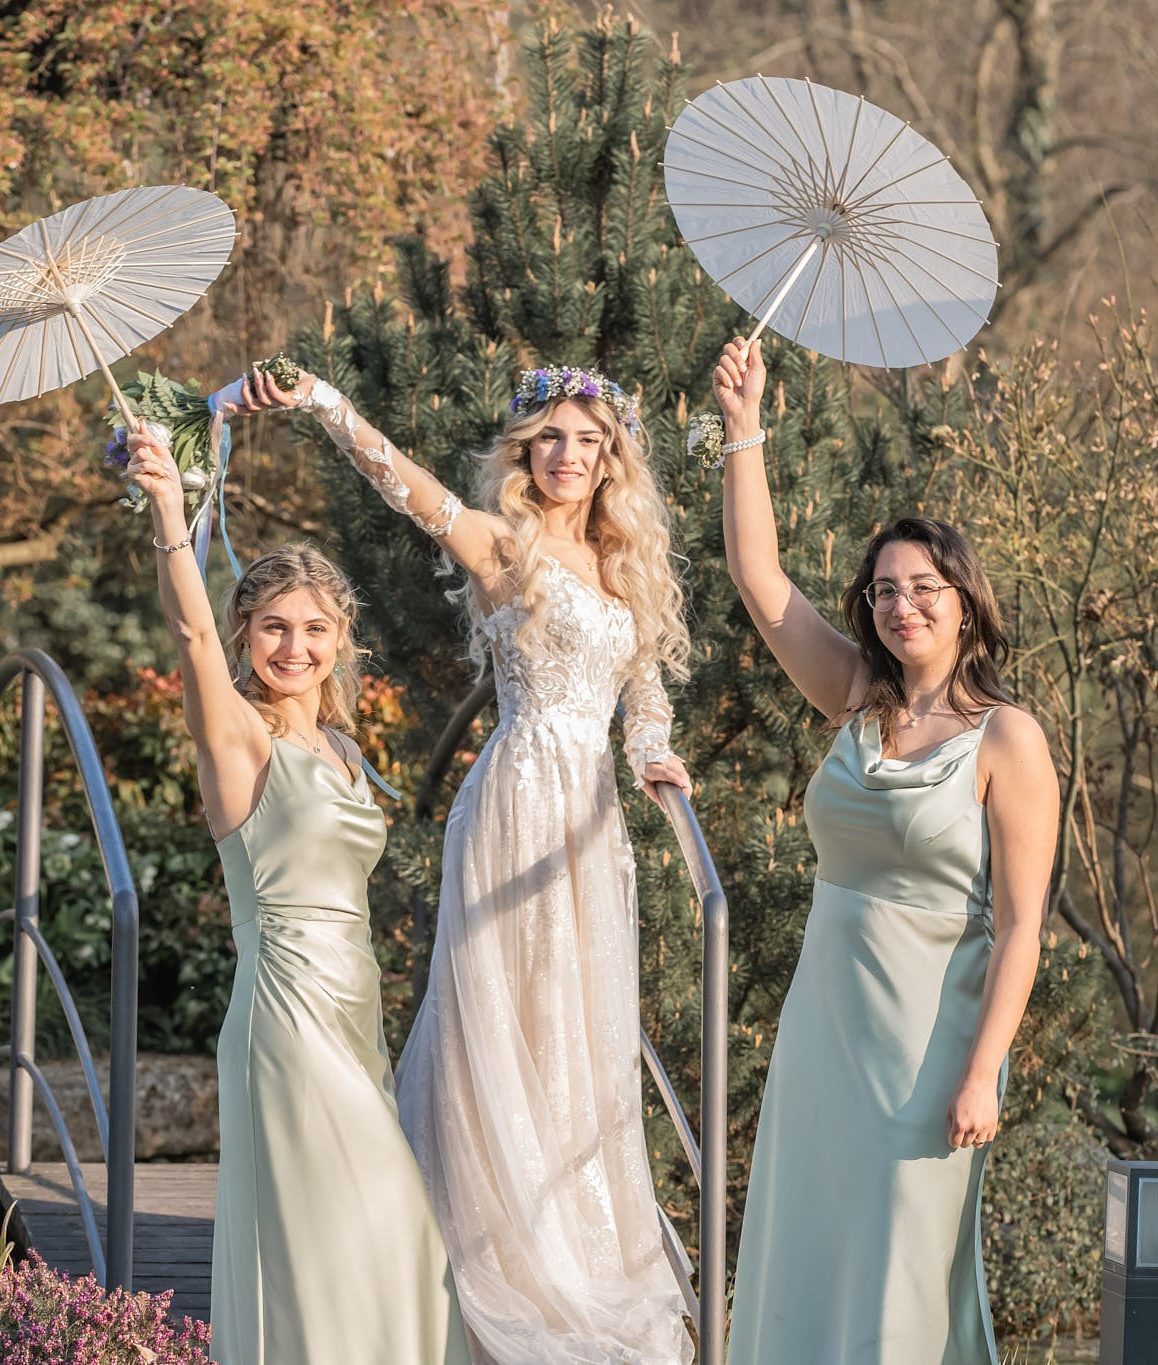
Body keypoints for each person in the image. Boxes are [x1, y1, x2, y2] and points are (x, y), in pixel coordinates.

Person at [229, 362, 695, 1363]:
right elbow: (398, 479)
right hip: (518, 798)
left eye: (589, 441)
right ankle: (477, 1250)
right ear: (524, 453)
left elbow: (641, 685)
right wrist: (321, 403)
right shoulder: (502, 547)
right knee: (498, 1018)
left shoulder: (623, 568)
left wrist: (653, 751)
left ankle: (573, 1245)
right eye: (551, 439)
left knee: (575, 1025)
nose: (570, 457)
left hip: (592, 819)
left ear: (611, 458)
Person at [707, 337, 1059, 1364]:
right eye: (883, 591)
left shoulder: (1007, 738)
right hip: (825, 1031)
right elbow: (756, 572)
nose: (899, 606)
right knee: (809, 1255)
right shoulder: (852, 701)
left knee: (903, 1270)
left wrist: (983, 1070)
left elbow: (1023, 927)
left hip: (929, 1047)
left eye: (923, 590)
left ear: (964, 603)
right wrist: (742, 430)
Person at [125, 431, 464, 1365]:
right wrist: (168, 509)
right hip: (285, 1013)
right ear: (245, 635)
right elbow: (189, 632)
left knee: (375, 1239)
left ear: (340, 641)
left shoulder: (348, 754)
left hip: (356, 1013)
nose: (294, 646)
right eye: (273, 625)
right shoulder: (239, 742)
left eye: (315, 629)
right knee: (371, 1226)